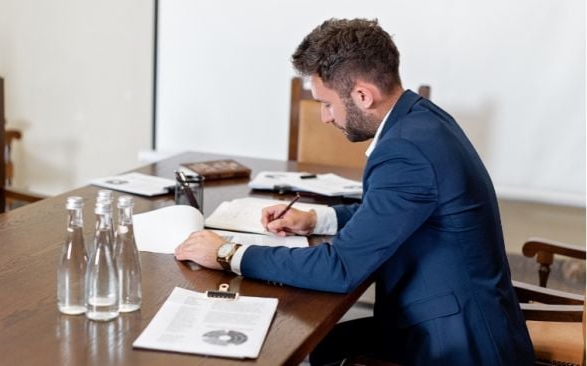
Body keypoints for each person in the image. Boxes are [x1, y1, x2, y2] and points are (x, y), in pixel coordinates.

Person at [175, 18, 535, 365]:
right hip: (456, 314)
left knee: (302, 341)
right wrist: (316, 218)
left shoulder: (406, 150)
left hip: (457, 344)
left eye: (327, 104)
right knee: (323, 344)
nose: (325, 117)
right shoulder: (421, 118)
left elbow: (340, 268)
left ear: (362, 95)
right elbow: (394, 209)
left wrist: (227, 253)